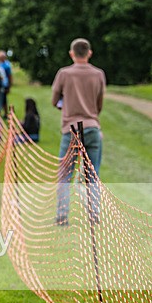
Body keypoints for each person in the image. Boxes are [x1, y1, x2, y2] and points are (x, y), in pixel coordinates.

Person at [51, 38, 106, 225]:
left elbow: (54, 100)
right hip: (91, 127)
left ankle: (62, 214)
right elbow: (99, 105)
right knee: (92, 173)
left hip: (70, 128)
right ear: (89, 53)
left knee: (65, 173)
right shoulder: (98, 74)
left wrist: (66, 105)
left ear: (71, 53)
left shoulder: (64, 74)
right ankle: (93, 213)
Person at [0, 50, 13, 117]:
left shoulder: (7, 65)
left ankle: (5, 113)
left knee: (4, 100)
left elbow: (9, 76)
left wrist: (9, 85)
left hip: (4, 84)